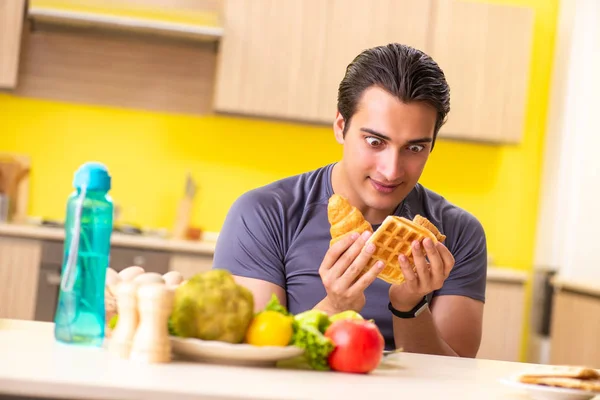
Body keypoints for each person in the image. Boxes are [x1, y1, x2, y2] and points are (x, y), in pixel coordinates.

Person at [212, 43, 487, 358]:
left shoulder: (459, 233)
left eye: (414, 148)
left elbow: (456, 379)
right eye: (374, 141)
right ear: (341, 127)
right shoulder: (264, 214)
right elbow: (247, 358)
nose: (391, 170)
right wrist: (335, 305)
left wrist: (409, 308)